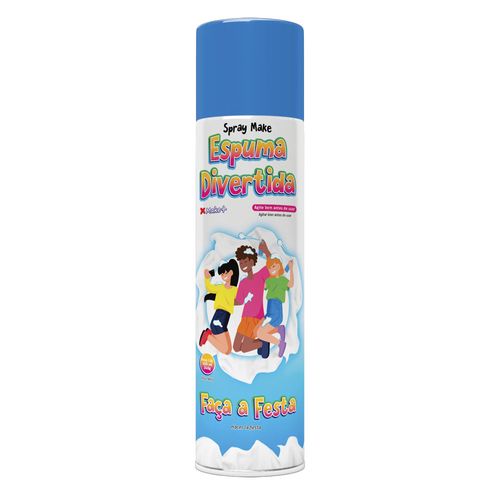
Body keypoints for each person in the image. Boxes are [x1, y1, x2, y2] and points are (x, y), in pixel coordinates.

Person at [232, 240, 272, 354]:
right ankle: (260, 342)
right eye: (241, 263)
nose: (243, 265)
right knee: (236, 348)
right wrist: (225, 300)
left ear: (252, 261)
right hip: (244, 318)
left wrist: (266, 251)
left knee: (244, 348)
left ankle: (262, 343)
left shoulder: (260, 276)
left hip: (255, 317)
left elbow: (270, 265)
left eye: (245, 261)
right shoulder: (243, 283)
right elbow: (239, 301)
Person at [255, 258, 294, 358]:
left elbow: (291, 284)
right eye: (270, 267)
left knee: (260, 333)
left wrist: (291, 269)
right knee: (259, 332)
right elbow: (262, 286)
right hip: (269, 311)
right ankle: (279, 329)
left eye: (274, 266)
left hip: (276, 311)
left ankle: (280, 343)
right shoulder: (269, 280)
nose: (271, 269)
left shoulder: (283, 280)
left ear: (279, 266)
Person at [199, 259, 239, 355]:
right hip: (219, 317)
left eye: (225, 273)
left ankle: (208, 335)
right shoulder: (220, 288)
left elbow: (240, 300)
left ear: (231, 272)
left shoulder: (235, 290)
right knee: (226, 350)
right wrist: (207, 278)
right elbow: (209, 288)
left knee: (228, 350)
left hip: (224, 318)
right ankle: (207, 336)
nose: (223, 276)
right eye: (221, 274)